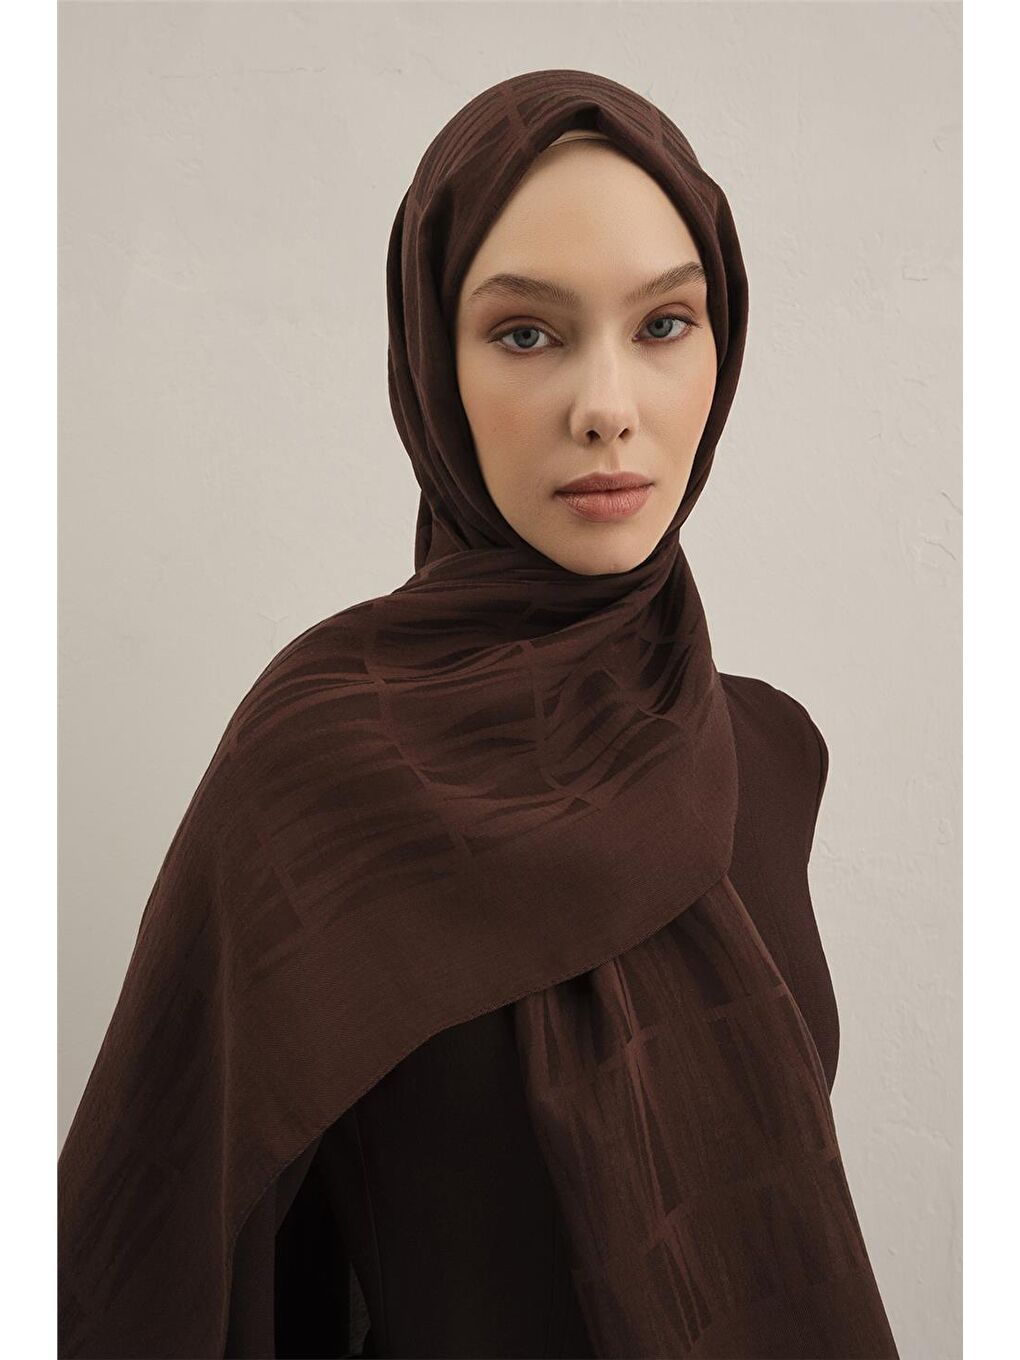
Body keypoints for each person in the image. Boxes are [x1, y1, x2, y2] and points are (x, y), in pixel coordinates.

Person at [58, 70, 900, 1359]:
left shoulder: (768, 754)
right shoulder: (319, 771)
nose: (607, 406)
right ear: (431, 367)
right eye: (526, 335)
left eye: (664, 324)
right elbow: (155, 1243)